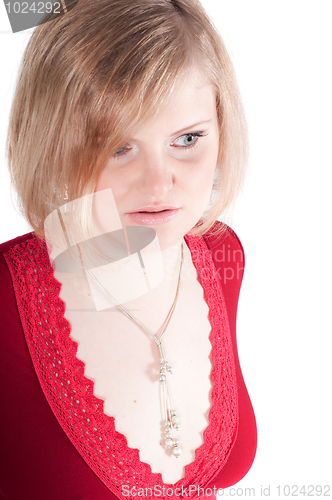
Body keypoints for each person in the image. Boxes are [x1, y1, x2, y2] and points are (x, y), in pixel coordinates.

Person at [0, 0, 257, 498]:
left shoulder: (222, 257)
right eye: (118, 147)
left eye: (187, 138)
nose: (160, 183)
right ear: (51, 141)